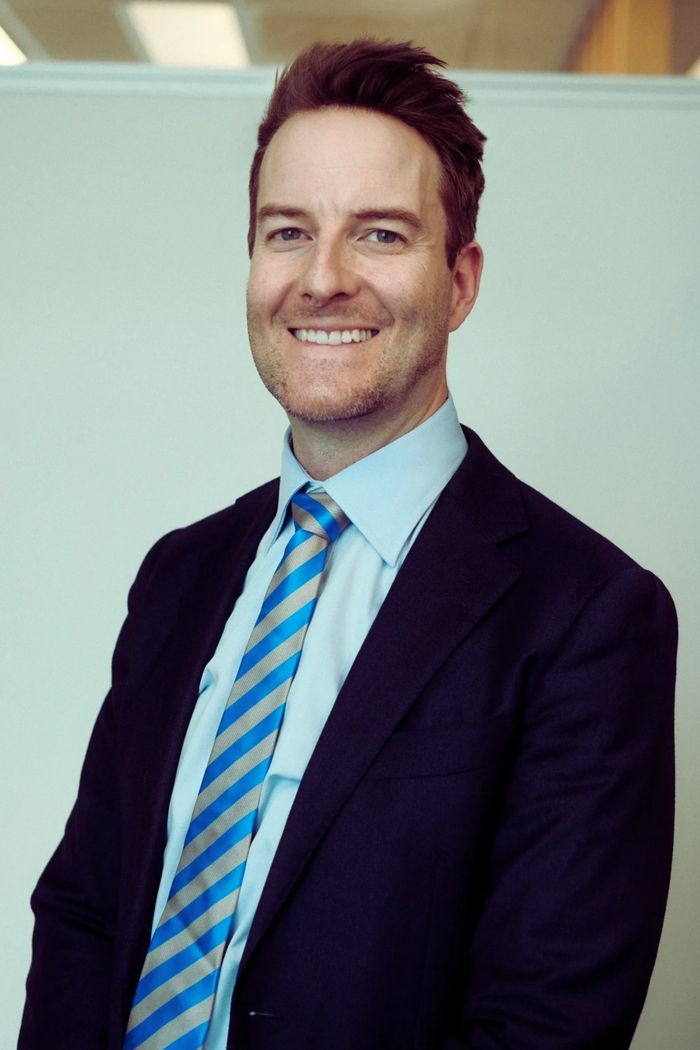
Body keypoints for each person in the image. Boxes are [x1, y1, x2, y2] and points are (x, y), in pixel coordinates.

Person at [19, 39, 677, 1050]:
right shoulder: (179, 576)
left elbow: (546, 1024)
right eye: (288, 231)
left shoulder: (587, 614)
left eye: (378, 234)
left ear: (459, 282)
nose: (322, 280)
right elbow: (87, 915)